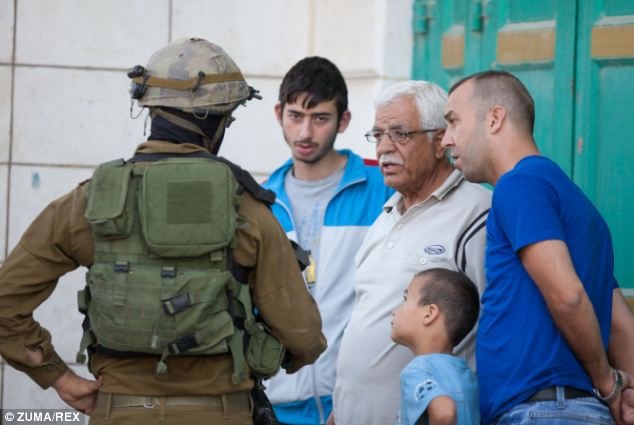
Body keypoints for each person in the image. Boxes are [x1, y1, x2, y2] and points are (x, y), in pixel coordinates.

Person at [0, 37, 326, 425]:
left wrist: (59, 377)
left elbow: (5, 303)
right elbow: (303, 336)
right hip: (220, 413)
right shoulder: (247, 209)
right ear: (218, 121)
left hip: (119, 412)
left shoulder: (88, 204)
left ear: (151, 109)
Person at [441, 69, 634, 425]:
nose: (445, 140)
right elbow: (620, 324)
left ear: (495, 118)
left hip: (543, 411)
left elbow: (568, 296)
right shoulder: (579, 205)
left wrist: (608, 383)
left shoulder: (519, 184)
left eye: (453, 121)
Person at [330, 80, 491, 425]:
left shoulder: (477, 212)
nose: (384, 148)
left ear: (439, 141)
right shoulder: (386, 215)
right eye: (377, 135)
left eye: (400, 134)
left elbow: (496, 324)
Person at [262, 56, 392, 425]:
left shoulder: (383, 189)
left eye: (320, 118)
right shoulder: (260, 203)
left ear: (343, 120)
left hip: (358, 403)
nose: (305, 132)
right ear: (279, 114)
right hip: (277, 405)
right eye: (295, 116)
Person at [391, 268, 480, 425]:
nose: (394, 311)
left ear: (429, 314)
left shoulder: (418, 370)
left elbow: (445, 412)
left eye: (405, 299)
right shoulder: (468, 375)